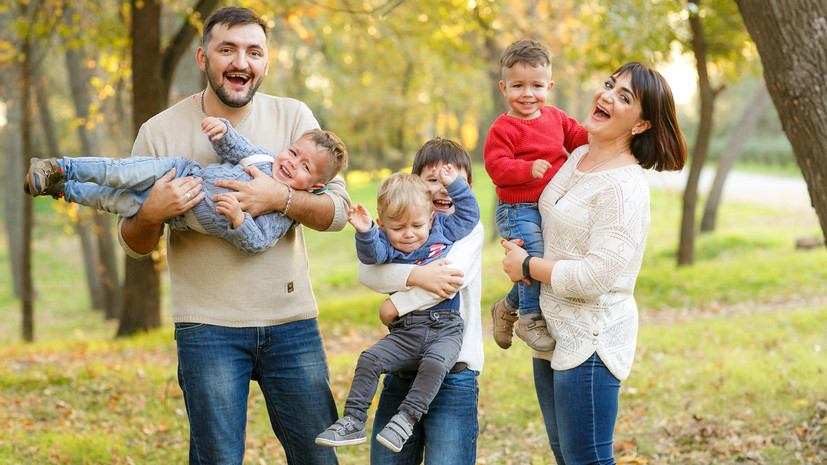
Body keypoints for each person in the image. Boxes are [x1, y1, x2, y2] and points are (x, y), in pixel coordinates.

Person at [117, 7, 351, 465]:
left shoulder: (295, 118)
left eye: (253, 51)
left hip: (291, 323)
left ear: (265, 62)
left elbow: (338, 212)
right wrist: (150, 214)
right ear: (203, 57)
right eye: (227, 49)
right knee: (217, 459)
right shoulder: (159, 131)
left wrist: (278, 197)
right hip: (208, 327)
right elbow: (133, 243)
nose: (240, 61)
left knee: (319, 456)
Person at [500, 62, 687, 464]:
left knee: (587, 460)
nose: (606, 96)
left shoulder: (625, 188)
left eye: (624, 97)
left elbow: (596, 276)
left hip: (591, 340)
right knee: (565, 456)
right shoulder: (579, 155)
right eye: (609, 85)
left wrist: (528, 266)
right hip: (553, 330)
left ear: (640, 125)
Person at [315, 163, 479, 453]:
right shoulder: (387, 243)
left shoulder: (443, 228)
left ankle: (406, 419)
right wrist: (366, 231)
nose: (408, 235)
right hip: (405, 331)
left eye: (416, 225)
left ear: (430, 217)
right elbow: (371, 259)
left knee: (436, 363)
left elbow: (469, 215)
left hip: (445, 329)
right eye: (398, 228)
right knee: (369, 358)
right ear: (383, 225)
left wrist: (455, 185)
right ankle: (352, 420)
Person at [23, 117, 348, 255]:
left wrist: (239, 218)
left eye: (304, 166)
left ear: (315, 186)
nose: (291, 162)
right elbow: (235, 147)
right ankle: (59, 166)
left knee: (110, 201)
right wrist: (222, 129)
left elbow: (257, 244)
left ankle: (62, 189)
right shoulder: (262, 159)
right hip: (177, 171)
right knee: (119, 174)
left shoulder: (284, 215)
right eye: (293, 152)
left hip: (179, 216)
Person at [357, 137, 484, 465]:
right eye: (433, 180)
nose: (443, 188)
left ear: (467, 187)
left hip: (454, 372)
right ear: (415, 184)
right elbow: (367, 274)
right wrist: (416, 276)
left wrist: (394, 305)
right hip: (402, 368)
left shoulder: (470, 231)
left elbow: (448, 281)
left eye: (453, 180)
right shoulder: (407, 229)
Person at [484, 39, 588, 352]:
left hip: (551, 207)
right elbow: (496, 168)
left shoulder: (557, 118)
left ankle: (506, 307)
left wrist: (608, 135)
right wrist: (528, 169)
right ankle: (530, 319)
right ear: (504, 87)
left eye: (536, 85)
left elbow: (581, 139)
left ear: (549, 85)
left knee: (544, 261)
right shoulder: (503, 129)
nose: (527, 94)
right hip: (518, 209)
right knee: (533, 260)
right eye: (518, 85)